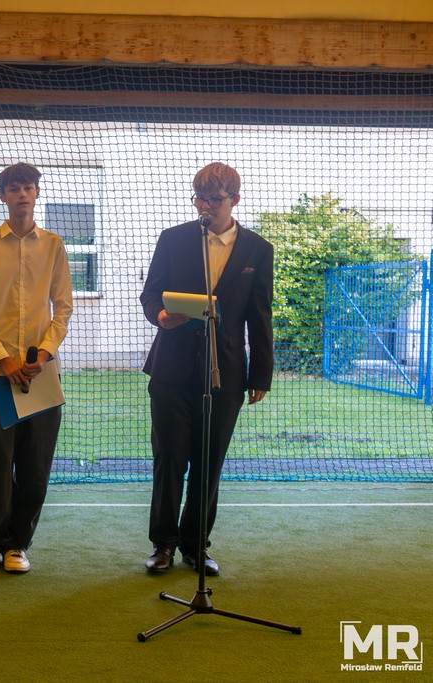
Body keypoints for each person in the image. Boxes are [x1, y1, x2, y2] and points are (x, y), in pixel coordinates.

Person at [140, 162, 274, 576]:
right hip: (171, 367)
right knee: (169, 459)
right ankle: (163, 544)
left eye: (215, 199)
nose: (205, 206)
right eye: (200, 198)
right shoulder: (174, 238)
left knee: (208, 463)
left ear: (236, 198)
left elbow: (260, 316)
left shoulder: (258, 249)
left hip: (226, 372)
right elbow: (150, 294)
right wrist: (161, 315)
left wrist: (261, 374)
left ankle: (196, 545)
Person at [0, 163, 73, 574]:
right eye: (14, 188)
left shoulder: (54, 245)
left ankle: (17, 546)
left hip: (40, 374)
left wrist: (42, 355)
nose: (22, 194)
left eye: (28, 187)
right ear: (2, 196)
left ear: (37, 193)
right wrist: (2, 358)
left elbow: (63, 308)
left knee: (34, 464)